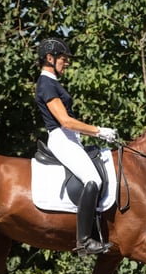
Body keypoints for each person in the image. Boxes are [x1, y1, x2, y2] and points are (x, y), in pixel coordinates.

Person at [34, 37, 118, 256]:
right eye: (63, 59)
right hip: (61, 138)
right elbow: (66, 121)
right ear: (49, 58)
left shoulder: (53, 83)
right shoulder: (46, 84)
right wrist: (99, 131)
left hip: (71, 138)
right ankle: (84, 241)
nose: (67, 62)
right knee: (94, 179)